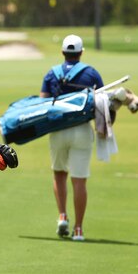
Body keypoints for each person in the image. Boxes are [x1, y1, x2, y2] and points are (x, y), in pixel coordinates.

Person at [40, 34, 103, 242]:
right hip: (82, 131)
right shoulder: (91, 73)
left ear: (63, 53)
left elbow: (43, 105)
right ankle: (78, 229)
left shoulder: (51, 74)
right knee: (79, 180)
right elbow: (102, 103)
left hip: (58, 131)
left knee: (59, 173)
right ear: (81, 52)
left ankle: (62, 216)